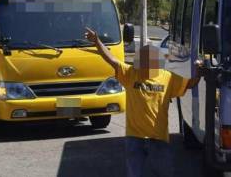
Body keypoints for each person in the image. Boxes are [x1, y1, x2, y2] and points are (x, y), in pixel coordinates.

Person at [85, 27, 201, 177]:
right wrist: (97, 41)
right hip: (135, 138)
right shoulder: (131, 74)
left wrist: (199, 72)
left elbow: (190, 84)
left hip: (158, 138)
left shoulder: (168, 77)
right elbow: (111, 60)